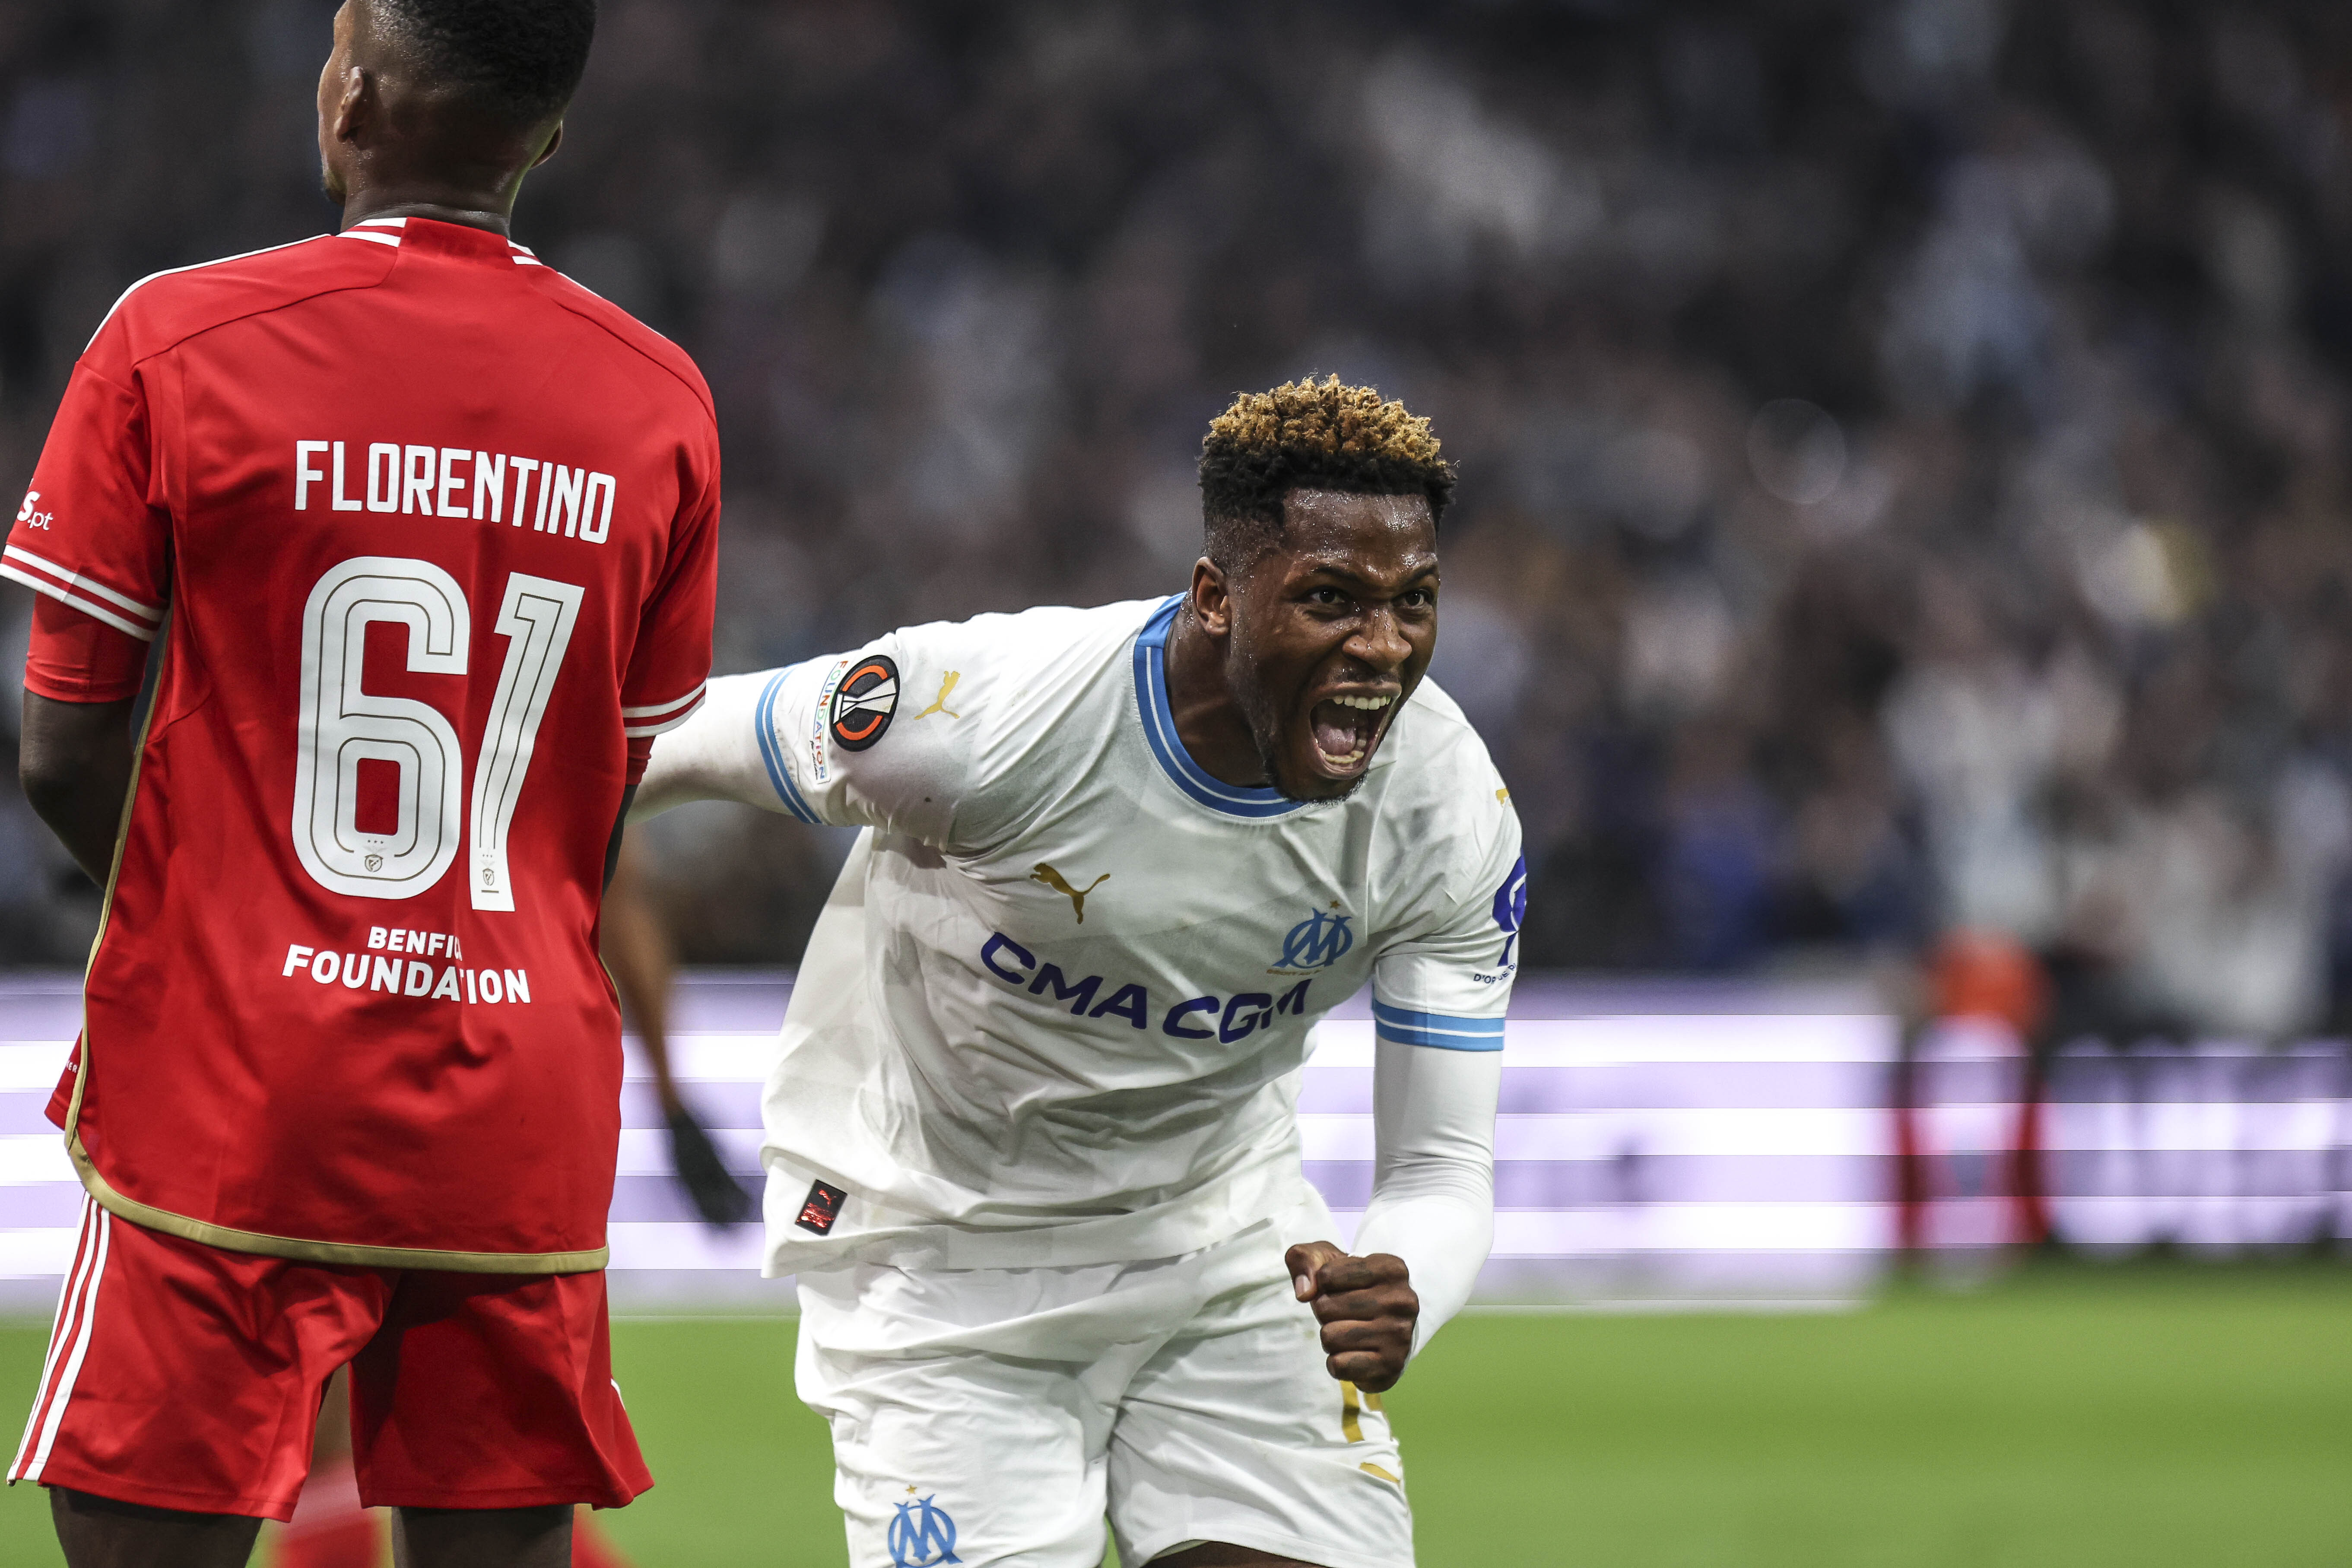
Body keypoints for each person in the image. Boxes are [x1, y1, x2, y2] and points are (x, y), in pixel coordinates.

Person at [3, 1, 721, 1562]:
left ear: (352, 100)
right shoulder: (661, 399)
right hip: (514, 1100)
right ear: (548, 135)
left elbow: (61, 748)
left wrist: (233, 920)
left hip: (238, 1089)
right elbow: (603, 797)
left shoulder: (173, 339)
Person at [637, 376, 1522, 1568]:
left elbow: (1440, 1165)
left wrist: (1402, 1277)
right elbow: (645, 746)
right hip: (943, 1267)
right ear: (1217, 597)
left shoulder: (1446, 808)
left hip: (1226, 1252)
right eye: (1330, 599)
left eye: (1415, 601)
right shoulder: (979, 718)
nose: (1382, 648)